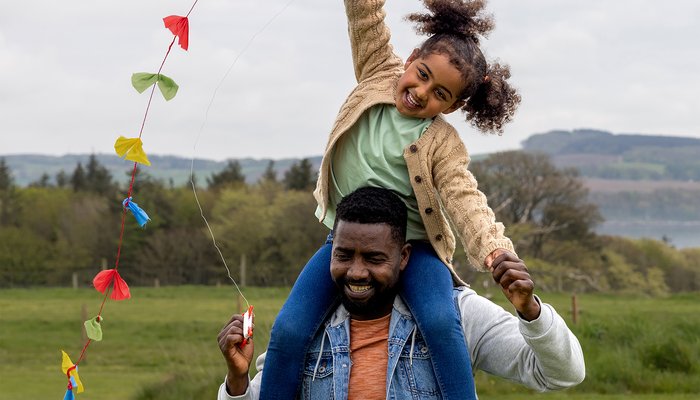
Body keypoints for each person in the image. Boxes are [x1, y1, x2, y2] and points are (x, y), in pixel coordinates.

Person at [262, 0, 522, 398]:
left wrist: (493, 249)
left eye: (439, 94)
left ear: (453, 106)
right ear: (412, 59)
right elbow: (366, 19)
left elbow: (464, 198)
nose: (420, 93)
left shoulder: (442, 143)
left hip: (415, 249)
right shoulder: (378, 72)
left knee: (439, 322)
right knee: (289, 329)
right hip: (345, 242)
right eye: (421, 75)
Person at [217, 187, 585, 399]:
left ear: (403, 256)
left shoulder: (455, 315)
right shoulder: (309, 326)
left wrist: (530, 311)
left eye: (374, 258)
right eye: (344, 255)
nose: (356, 272)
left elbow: (562, 374)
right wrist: (237, 380)